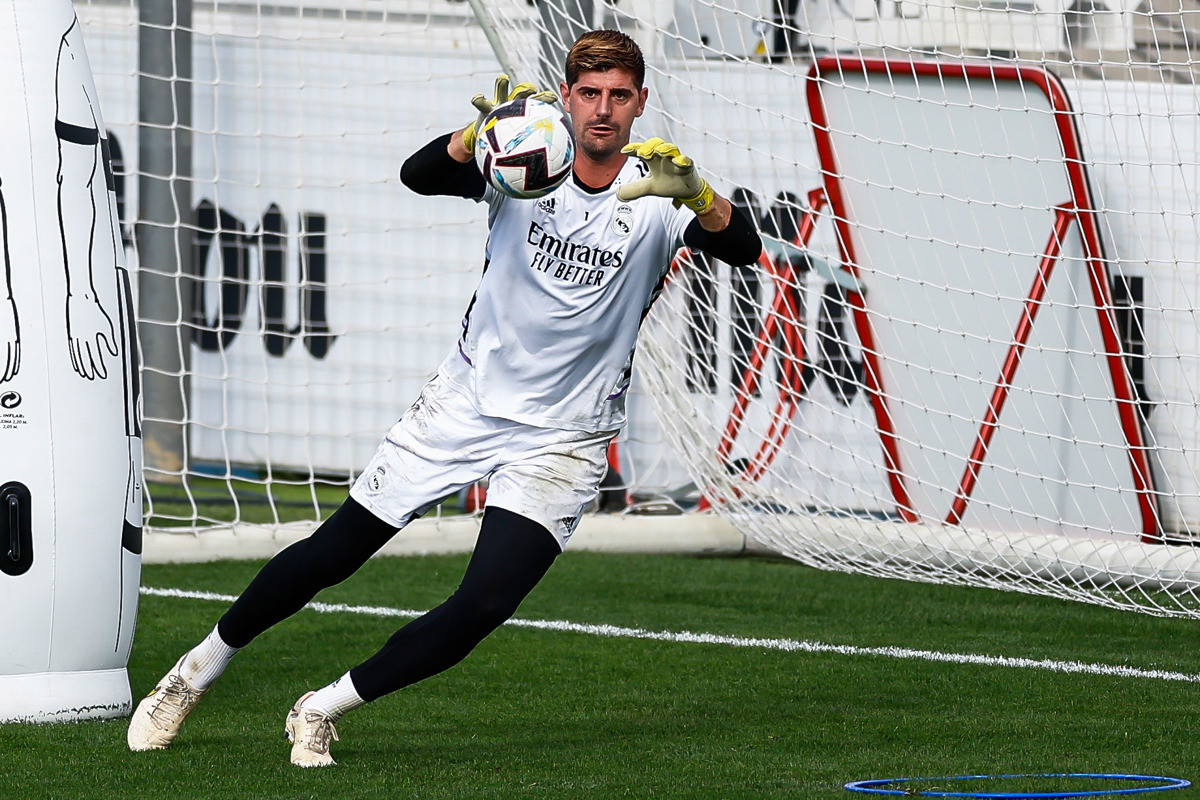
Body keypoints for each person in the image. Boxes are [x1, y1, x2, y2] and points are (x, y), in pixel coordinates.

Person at [126, 29, 761, 768]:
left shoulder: (661, 189)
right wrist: (473, 135)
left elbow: (744, 251)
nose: (603, 110)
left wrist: (704, 197)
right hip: (464, 406)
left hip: (566, 435)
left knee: (484, 606)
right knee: (335, 551)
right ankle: (193, 672)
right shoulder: (526, 161)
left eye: (620, 95)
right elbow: (417, 174)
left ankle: (322, 707)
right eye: (589, 93)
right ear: (566, 95)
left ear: (640, 102)